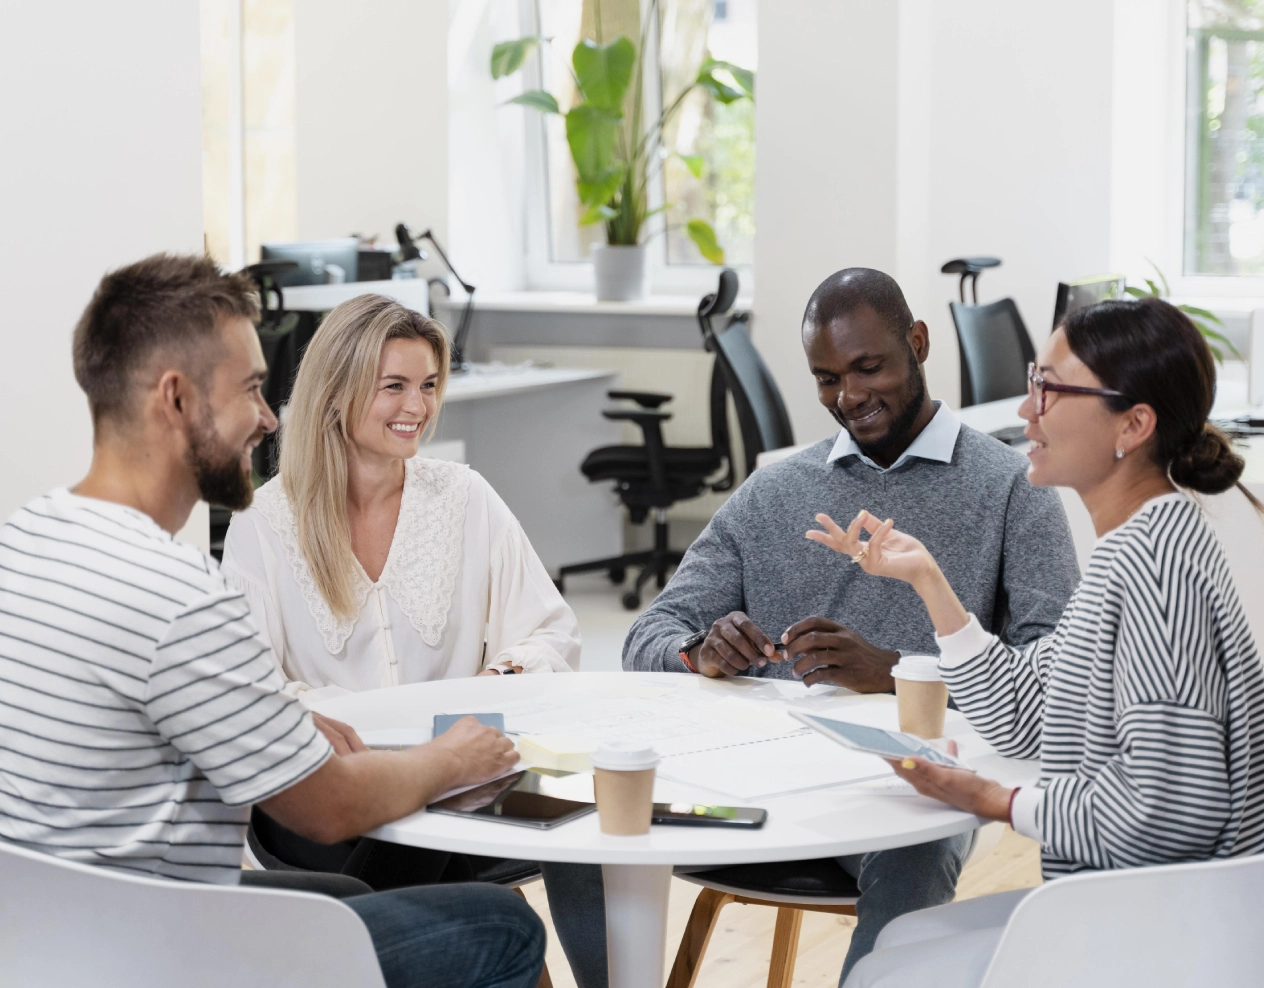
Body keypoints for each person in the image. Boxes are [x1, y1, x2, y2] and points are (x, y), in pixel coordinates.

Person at [0, 254, 545, 988]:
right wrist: (455, 758)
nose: (267, 416)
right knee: (504, 924)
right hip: (161, 949)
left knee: (349, 898)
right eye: (252, 388)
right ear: (177, 399)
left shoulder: (25, 541)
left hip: (44, 936)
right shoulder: (181, 594)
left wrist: (276, 720)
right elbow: (326, 810)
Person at [622, 268, 1082, 982]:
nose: (850, 397)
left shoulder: (1012, 490)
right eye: (826, 378)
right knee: (590, 812)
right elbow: (648, 634)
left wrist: (898, 675)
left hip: (912, 790)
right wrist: (697, 653)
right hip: (762, 781)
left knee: (913, 857)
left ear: (918, 344)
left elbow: (1055, 679)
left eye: (869, 367)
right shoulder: (775, 490)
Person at [807, 298, 1264, 988]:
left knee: (886, 974)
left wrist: (996, 802)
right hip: (1137, 905)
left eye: (1050, 389)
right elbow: (1025, 715)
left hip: (1165, 929)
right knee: (897, 944)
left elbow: (1172, 810)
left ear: (1133, 424)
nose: (1027, 412)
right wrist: (930, 582)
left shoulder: (1152, 572)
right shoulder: (1136, 547)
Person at [220, 293, 607, 988]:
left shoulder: (464, 497)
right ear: (336, 392)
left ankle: (343, 960)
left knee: (591, 817)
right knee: (480, 899)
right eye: (393, 385)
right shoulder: (264, 522)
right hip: (322, 796)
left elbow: (549, 631)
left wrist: (499, 681)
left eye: (428, 385)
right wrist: (386, 753)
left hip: (464, 782)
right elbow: (250, 688)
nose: (417, 407)